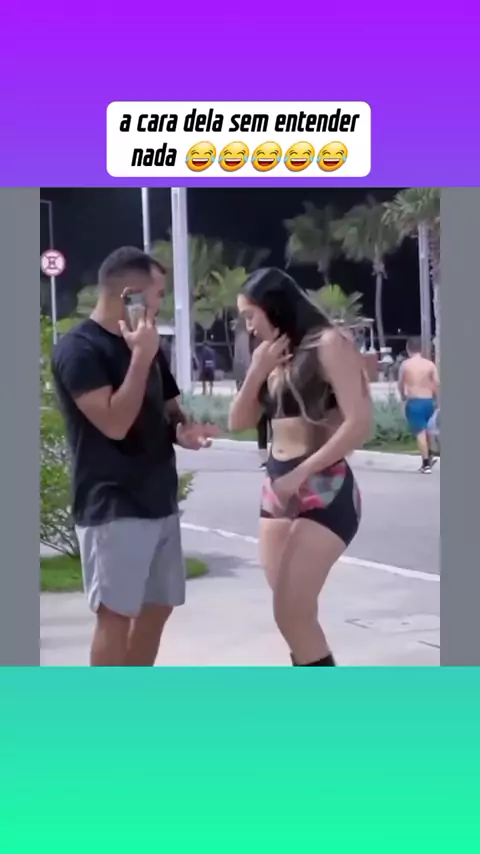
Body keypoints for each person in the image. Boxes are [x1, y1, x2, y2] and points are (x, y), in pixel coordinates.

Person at [51, 246, 214, 667]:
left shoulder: (149, 345)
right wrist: (140, 357)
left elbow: (170, 409)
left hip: (158, 497)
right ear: (130, 295)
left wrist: (186, 430)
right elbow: (114, 423)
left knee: (158, 606)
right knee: (116, 615)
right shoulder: (79, 349)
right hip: (113, 503)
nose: (161, 303)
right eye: (157, 294)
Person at [229, 268, 372, 667]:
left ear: (274, 306)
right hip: (278, 488)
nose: (249, 327)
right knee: (291, 615)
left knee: (292, 611)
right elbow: (238, 421)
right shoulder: (269, 354)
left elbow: (359, 423)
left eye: (252, 316)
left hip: (324, 486)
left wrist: (300, 474)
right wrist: (257, 370)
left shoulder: (328, 343)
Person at [397, 336, 439, 473]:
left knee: (420, 432)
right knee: (428, 430)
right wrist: (435, 399)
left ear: (408, 348)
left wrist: (403, 397)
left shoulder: (405, 365)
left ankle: (426, 464)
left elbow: (400, 384)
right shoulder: (430, 364)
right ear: (421, 348)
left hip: (415, 402)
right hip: (429, 401)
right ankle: (429, 455)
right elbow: (437, 383)